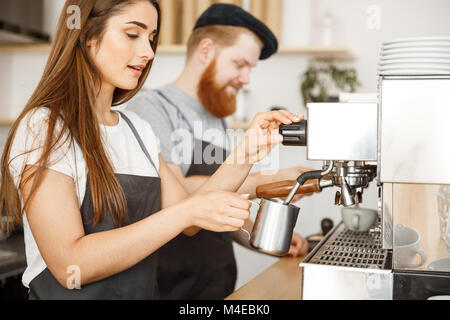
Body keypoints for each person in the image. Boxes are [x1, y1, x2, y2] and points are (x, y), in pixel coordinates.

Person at [0, 0, 303, 300]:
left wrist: (247, 152)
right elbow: (71, 265)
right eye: (133, 34)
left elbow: (190, 219)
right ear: (87, 35)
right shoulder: (45, 127)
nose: (147, 52)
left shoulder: (137, 130)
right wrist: (186, 212)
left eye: (152, 38)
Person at [127, 3, 310, 300]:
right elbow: (177, 196)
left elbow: (222, 202)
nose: (246, 78)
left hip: (217, 285)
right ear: (205, 50)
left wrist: (265, 239)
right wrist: (268, 182)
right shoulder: (151, 109)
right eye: (240, 64)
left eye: (250, 68)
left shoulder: (217, 119)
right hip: (170, 287)